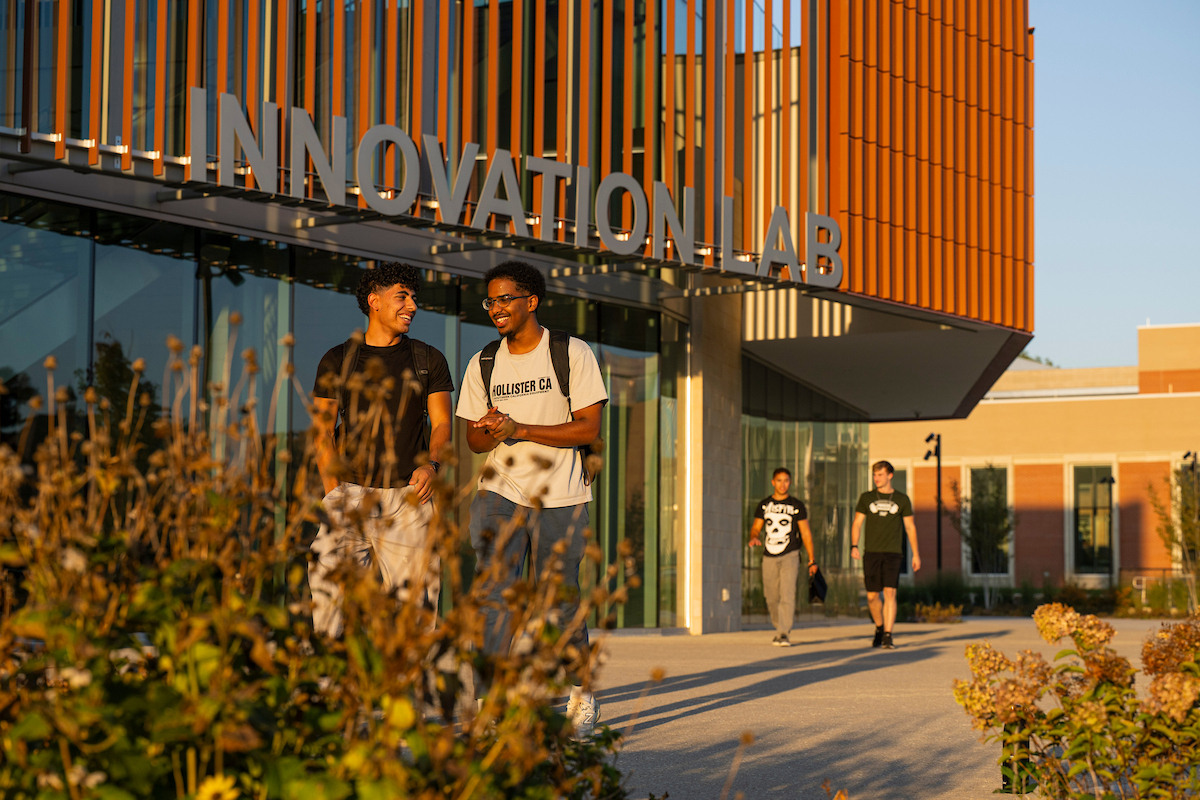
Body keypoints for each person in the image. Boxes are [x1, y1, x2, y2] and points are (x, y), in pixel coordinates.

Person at [456, 259, 609, 739]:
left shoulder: (570, 352)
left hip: (560, 496)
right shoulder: (483, 361)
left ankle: (581, 693)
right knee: (493, 597)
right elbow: (473, 441)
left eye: (505, 299)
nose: (496, 308)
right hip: (498, 491)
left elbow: (588, 427)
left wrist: (519, 428)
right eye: (490, 301)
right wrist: (491, 430)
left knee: (559, 599)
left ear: (531, 302)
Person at [309, 262, 455, 637]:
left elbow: (441, 425)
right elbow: (321, 432)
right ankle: (329, 693)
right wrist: (333, 492)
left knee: (416, 617)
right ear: (374, 301)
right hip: (349, 498)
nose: (412, 306)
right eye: (401, 297)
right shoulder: (338, 359)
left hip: (410, 501)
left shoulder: (428, 360)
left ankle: (412, 695)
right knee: (329, 606)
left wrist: (433, 465)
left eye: (414, 298)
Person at [851, 460, 921, 649]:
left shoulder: (902, 499)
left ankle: (888, 635)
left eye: (880, 475)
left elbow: (910, 526)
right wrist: (854, 545)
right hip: (871, 552)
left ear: (890, 475)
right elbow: (857, 523)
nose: (876, 478)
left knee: (890, 592)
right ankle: (880, 627)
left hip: (893, 552)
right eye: (874, 475)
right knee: (872, 596)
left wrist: (916, 554)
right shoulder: (866, 498)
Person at [748, 467, 818, 647]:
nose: (782, 484)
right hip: (769, 556)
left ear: (790, 482)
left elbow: (806, 533)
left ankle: (783, 633)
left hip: (791, 555)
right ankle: (779, 627)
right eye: (779, 480)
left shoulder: (796, 505)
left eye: (786, 480)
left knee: (787, 594)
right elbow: (756, 527)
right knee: (771, 596)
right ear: (773, 482)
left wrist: (812, 559)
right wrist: (754, 536)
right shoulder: (764, 505)